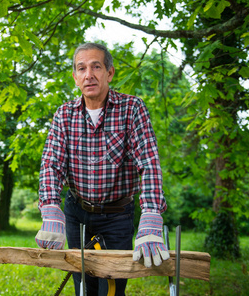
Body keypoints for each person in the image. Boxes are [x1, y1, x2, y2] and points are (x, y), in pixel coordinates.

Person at [35, 42, 169, 296]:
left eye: (96, 66)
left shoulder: (132, 109)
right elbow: (51, 164)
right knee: (82, 285)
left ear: (110, 72)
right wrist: (51, 206)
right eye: (81, 68)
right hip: (77, 212)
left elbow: (149, 162)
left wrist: (151, 212)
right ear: (75, 77)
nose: (89, 74)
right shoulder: (64, 115)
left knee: (111, 288)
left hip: (117, 215)